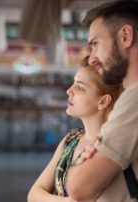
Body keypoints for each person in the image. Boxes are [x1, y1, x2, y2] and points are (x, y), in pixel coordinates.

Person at [65, 1, 138, 202]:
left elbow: (79, 188)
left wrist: (95, 151)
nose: (92, 58)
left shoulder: (134, 100)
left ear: (125, 36)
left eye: (95, 44)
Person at [27, 59, 123, 202]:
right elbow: (34, 194)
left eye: (80, 88)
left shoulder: (114, 146)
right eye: (73, 83)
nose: (69, 90)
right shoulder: (72, 139)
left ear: (103, 101)